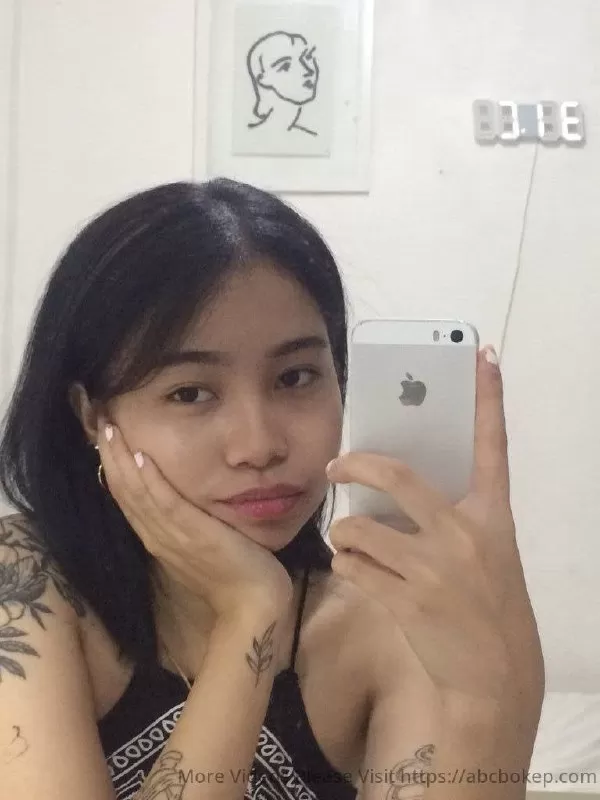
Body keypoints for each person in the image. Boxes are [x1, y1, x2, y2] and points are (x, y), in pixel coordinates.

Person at [0, 178, 544, 800]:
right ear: (93, 417)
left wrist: (493, 702)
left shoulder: (383, 624)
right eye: (190, 393)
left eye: (295, 377)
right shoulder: (27, 584)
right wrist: (249, 612)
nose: (259, 446)